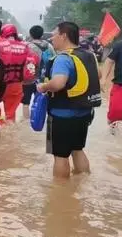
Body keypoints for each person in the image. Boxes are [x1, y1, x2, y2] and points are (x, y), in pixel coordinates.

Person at [37, 21, 101, 178]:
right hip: (84, 112)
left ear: (63, 36)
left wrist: (44, 87)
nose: (52, 38)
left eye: (54, 34)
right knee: (77, 150)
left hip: (62, 114)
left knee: (60, 156)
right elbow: (98, 75)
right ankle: (83, 183)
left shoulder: (63, 59)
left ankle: (60, 193)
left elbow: (58, 83)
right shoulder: (89, 55)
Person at [0, 24, 32, 123]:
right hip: (16, 85)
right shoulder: (24, 46)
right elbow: (30, 66)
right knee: (10, 115)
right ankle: (10, 133)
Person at [23, 25, 56, 118]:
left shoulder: (27, 45)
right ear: (42, 34)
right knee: (41, 100)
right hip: (44, 78)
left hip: (29, 78)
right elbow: (53, 59)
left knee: (26, 102)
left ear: (30, 34)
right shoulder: (49, 46)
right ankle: (40, 119)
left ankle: (26, 123)